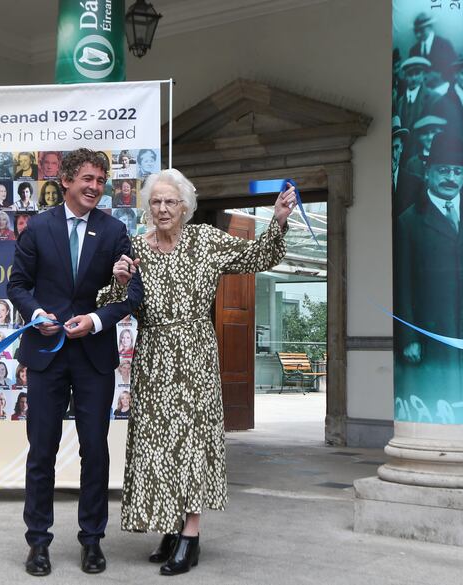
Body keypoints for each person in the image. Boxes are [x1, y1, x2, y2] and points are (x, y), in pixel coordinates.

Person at [100, 168, 293, 576]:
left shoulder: (205, 240)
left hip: (195, 356)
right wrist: (118, 283)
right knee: (157, 444)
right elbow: (112, 301)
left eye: (171, 201)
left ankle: (190, 533)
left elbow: (256, 256)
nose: (163, 208)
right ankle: (169, 527)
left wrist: (277, 220)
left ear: (185, 206)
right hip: (153, 356)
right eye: (156, 202)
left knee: (191, 443)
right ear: (147, 207)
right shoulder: (135, 248)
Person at [7, 148, 144, 576]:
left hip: (94, 359)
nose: (95, 187)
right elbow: (18, 285)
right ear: (65, 180)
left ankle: (92, 541)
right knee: (41, 450)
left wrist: (98, 321)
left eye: (101, 181)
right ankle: (38, 543)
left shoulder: (116, 231)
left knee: (95, 451)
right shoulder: (37, 229)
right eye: (87, 178)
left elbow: (131, 295)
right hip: (46, 356)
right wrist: (35, 314)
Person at [395, 131, 463, 408]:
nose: (451, 177)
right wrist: (409, 338)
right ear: (428, 172)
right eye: (443, 170)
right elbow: (403, 285)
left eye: (456, 171)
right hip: (431, 335)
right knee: (439, 397)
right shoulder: (409, 221)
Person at [408, 12, 456, 87]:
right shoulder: (413, 50)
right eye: (416, 31)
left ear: (430, 27)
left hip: (443, 89)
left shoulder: (445, 45)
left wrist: (439, 77)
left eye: (421, 30)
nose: (418, 35)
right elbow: (410, 74)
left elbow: (454, 69)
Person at [395, 57, 437, 132]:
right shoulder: (400, 102)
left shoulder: (433, 98)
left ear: (423, 75)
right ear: (405, 77)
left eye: (417, 73)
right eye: (410, 74)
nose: (414, 78)